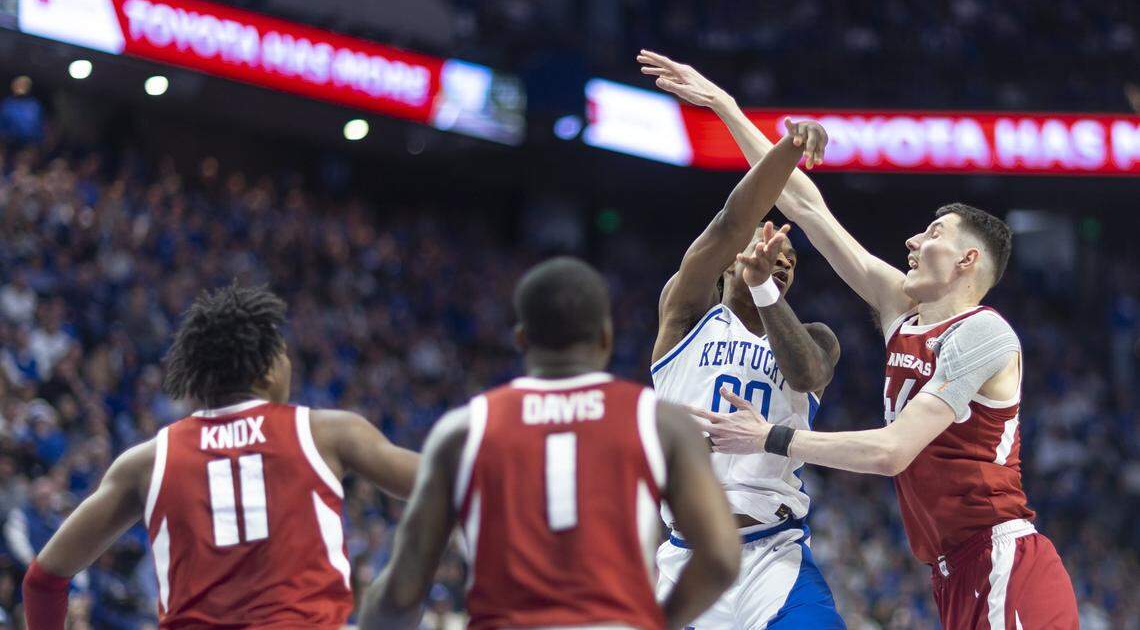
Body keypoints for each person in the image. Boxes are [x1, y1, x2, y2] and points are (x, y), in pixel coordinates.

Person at [640, 51, 1080, 630]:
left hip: (1001, 555)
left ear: (967, 260)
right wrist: (727, 107)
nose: (912, 240)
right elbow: (803, 204)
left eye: (933, 234)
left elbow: (891, 451)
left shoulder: (985, 332)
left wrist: (770, 437)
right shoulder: (901, 309)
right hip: (950, 569)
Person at [358, 257, 741, 630]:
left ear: (522, 339)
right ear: (606, 337)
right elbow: (721, 558)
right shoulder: (659, 421)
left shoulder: (463, 431)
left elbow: (399, 597)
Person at [21, 284, 419, 630]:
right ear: (266, 369)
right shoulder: (326, 432)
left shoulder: (146, 461)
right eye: (284, 354)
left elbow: (43, 578)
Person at [646, 84, 844, 629]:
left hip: (774, 554)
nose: (780, 257)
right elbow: (730, 222)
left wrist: (764, 291)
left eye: (791, 258)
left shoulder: (816, 337)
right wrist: (786, 151)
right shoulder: (686, 316)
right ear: (735, 259)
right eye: (768, 247)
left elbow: (806, 374)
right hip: (689, 555)